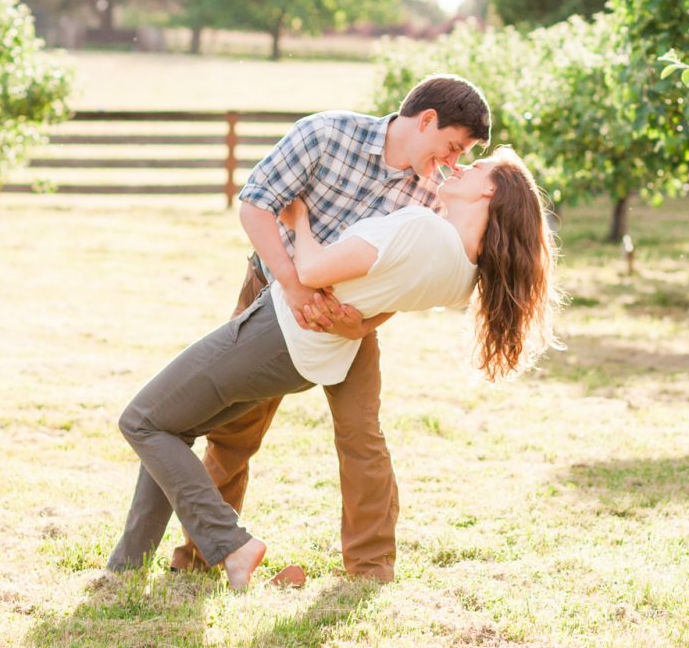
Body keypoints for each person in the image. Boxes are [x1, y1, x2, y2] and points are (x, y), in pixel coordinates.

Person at [107, 148, 560, 588]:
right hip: (311, 355)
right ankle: (127, 566)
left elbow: (312, 270)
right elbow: (384, 293)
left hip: (279, 331)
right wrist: (359, 320)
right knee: (171, 424)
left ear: (490, 192)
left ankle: (231, 544)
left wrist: (298, 218)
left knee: (142, 420)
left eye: (476, 166)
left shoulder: (422, 228)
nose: (460, 166)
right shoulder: (463, 277)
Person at [170, 75, 492, 582]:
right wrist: (294, 286)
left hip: (351, 324)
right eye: (452, 147)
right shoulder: (327, 134)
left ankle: (370, 570)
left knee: (362, 437)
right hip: (271, 296)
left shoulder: (434, 193)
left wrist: (362, 323)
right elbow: (255, 203)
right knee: (235, 431)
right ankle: (203, 552)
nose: (452, 163)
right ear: (426, 120)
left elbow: (409, 280)